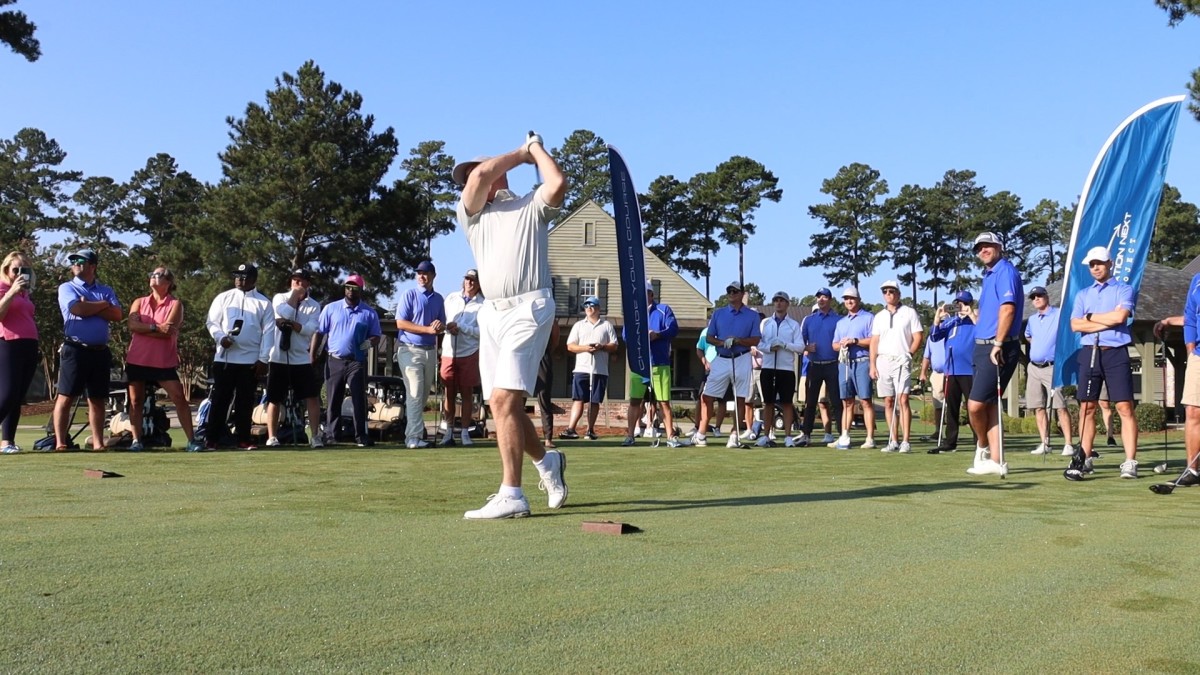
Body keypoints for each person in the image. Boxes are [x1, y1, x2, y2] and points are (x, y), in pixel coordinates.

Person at [453, 132, 568, 519]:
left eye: (478, 172)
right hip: (492, 314)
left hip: (530, 308)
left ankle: (512, 494)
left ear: (499, 175)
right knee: (505, 407)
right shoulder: (471, 216)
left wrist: (534, 150)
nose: (471, 181)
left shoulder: (530, 205)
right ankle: (547, 462)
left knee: (504, 401)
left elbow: (557, 182)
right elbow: (480, 176)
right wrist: (521, 152)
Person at [1065, 246, 1139, 481]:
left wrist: (1090, 318)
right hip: (1089, 352)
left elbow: (1120, 317)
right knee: (1087, 407)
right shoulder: (1083, 294)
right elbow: (1075, 325)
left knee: (1124, 407)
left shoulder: (1123, 289)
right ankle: (1084, 457)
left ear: (1110, 263)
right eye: (1092, 264)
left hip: (1115, 352)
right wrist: (1105, 320)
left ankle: (1130, 461)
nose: (1095, 267)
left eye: (1099, 263)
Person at [124, 266, 203, 452]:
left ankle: (192, 441)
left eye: (157, 275)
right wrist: (155, 327)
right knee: (136, 401)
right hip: (137, 358)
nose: (153, 277)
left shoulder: (175, 304)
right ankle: (136, 441)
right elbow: (132, 325)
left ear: (168, 282)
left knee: (179, 398)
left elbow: (168, 331)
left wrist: (145, 328)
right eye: (151, 274)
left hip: (163, 361)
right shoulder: (139, 302)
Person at [51, 249, 121, 451]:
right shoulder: (67, 287)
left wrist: (91, 305)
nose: (75, 263)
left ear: (92, 266)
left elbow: (117, 315)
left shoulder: (105, 290)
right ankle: (61, 443)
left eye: (80, 260)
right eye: (73, 260)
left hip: (100, 351)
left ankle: (98, 444)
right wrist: (103, 305)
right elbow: (77, 309)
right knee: (66, 396)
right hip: (75, 349)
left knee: (97, 399)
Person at [965, 232, 1024, 477]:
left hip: (998, 346)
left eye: (987, 245)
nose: (983, 250)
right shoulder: (988, 275)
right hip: (982, 346)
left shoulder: (1005, 272)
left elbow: (1008, 309)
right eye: (979, 247)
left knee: (975, 405)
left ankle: (982, 446)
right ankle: (997, 461)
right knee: (989, 405)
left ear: (999, 247)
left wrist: (998, 343)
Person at [203, 263, 271, 450]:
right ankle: (212, 439)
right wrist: (220, 337)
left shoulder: (264, 303)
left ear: (253, 279)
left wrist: (263, 359)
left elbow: (269, 333)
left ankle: (243, 439)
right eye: (237, 276)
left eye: (244, 277)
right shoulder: (223, 297)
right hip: (224, 359)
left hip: (250, 361)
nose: (239, 280)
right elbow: (212, 322)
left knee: (245, 402)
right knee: (220, 400)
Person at [694, 281, 761, 448]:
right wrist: (722, 342)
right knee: (707, 396)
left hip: (742, 358)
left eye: (735, 291)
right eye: (729, 291)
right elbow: (709, 338)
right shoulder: (719, 313)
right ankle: (701, 433)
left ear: (742, 294)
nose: (731, 294)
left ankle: (734, 434)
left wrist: (739, 341)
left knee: (740, 398)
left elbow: (756, 340)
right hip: (721, 358)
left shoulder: (752, 316)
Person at [260, 268, 323, 448]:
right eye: (295, 280)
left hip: (301, 359)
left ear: (308, 284)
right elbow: (283, 314)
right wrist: (294, 295)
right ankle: (272, 437)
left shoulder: (314, 305)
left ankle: (315, 437)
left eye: (301, 281)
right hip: (278, 357)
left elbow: (310, 330)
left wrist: (293, 325)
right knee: (274, 398)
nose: (297, 283)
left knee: (311, 397)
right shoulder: (279, 298)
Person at [317, 274, 381, 447]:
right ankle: (332, 435)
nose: (351, 291)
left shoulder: (369, 312)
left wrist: (367, 343)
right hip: (335, 360)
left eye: (354, 288)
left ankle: (361, 436)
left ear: (361, 290)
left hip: (356, 361)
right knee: (333, 399)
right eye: (348, 287)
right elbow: (320, 332)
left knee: (358, 399)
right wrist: (313, 354)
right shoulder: (331, 308)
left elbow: (376, 336)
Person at [1153, 271, 1200, 487]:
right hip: (1198, 354)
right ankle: (1192, 470)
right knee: (1193, 411)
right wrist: (1190, 349)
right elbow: (1191, 316)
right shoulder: (1197, 279)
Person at [395, 260, 447, 449]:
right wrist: (427, 329)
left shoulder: (439, 299)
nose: (421, 276)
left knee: (422, 395)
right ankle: (413, 437)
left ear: (433, 275)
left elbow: (441, 325)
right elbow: (401, 323)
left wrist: (439, 326)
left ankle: (414, 434)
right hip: (409, 349)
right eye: (419, 273)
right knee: (415, 392)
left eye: (425, 273)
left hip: (429, 351)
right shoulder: (409, 295)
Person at [623, 281, 681, 447]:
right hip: (639, 364)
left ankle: (670, 437)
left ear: (651, 294)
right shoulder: (633, 313)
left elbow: (673, 329)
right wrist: (640, 338)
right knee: (635, 401)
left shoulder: (663, 310)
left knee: (663, 401)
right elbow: (626, 335)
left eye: (646, 293)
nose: (643, 297)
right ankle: (630, 436)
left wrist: (658, 334)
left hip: (659, 363)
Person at [869, 280, 923, 453]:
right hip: (883, 360)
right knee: (888, 401)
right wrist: (872, 364)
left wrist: (909, 354)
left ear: (898, 294)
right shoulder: (879, 316)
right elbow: (874, 341)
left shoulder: (909, 312)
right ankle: (893, 440)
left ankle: (906, 441)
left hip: (902, 359)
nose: (888, 294)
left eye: (891, 291)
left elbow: (918, 336)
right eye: (885, 291)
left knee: (903, 399)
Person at [1023, 285, 1075, 457]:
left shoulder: (1059, 314)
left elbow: (1070, 331)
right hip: (1033, 368)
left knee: (1060, 406)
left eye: (1039, 295)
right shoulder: (1032, 320)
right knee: (1038, 407)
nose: (1036, 299)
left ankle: (1068, 444)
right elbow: (1028, 336)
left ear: (1046, 296)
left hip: (1052, 367)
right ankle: (1045, 443)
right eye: (1033, 297)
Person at [560, 296, 617, 441]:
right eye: (586, 306)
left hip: (599, 370)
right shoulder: (578, 325)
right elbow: (570, 346)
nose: (588, 308)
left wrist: (601, 347)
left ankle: (590, 430)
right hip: (581, 369)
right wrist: (586, 348)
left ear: (598, 308)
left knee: (594, 401)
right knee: (578, 399)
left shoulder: (606, 325)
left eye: (591, 305)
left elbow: (614, 345)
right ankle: (571, 429)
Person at [439, 268, 484, 446]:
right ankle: (448, 431)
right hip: (449, 352)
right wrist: (447, 327)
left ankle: (465, 432)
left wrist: (462, 328)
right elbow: (442, 321)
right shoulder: (451, 298)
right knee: (449, 393)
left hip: (469, 352)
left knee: (466, 393)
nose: (469, 282)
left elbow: (482, 332)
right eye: (467, 279)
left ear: (479, 284)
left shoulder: (483, 304)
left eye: (473, 280)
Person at [928, 291, 977, 454]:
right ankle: (950, 442)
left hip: (970, 370)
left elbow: (983, 334)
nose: (961, 306)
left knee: (973, 407)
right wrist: (937, 319)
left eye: (964, 303)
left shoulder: (975, 321)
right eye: (958, 303)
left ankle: (979, 441)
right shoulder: (951, 322)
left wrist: (972, 316)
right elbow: (934, 337)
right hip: (951, 371)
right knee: (951, 408)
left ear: (970, 304)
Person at [0, 252, 39, 453]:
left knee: (17, 397)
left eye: (24, 270)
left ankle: (7, 442)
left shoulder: (25, 293)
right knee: (7, 394)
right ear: (7, 270)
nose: (19, 274)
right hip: (8, 343)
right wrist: (11, 292)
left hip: (29, 344)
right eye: (15, 269)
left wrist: (19, 291)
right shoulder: (3, 288)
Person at [830, 287, 876, 449]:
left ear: (858, 300)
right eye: (846, 299)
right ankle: (844, 436)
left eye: (852, 298)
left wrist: (855, 341)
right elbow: (834, 345)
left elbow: (873, 340)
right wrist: (842, 344)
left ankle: (870, 438)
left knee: (865, 401)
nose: (849, 301)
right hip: (845, 363)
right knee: (847, 402)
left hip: (862, 361)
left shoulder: (869, 318)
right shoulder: (841, 322)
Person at [757, 290, 802, 447]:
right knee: (768, 403)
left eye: (782, 300)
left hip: (786, 369)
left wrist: (785, 345)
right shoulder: (766, 323)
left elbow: (800, 347)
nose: (778, 303)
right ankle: (766, 435)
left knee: (787, 403)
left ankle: (788, 436)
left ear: (787, 304)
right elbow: (759, 344)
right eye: (776, 300)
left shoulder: (793, 325)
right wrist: (770, 347)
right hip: (768, 367)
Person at [798, 288, 840, 446]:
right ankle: (806, 434)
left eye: (824, 297)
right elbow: (799, 342)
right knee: (810, 402)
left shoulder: (838, 320)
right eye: (818, 297)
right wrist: (806, 347)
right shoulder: (809, 320)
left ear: (830, 299)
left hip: (833, 365)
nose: (821, 299)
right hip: (814, 366)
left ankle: (842, 434)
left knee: (836, 401)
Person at [693, 323, 727, 438]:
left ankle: (717, 428)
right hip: (709, 369)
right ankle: (698, 426)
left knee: (722, 400)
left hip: (723, 367)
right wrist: (704, 361)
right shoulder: (705, 332)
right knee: (702, 398)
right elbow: (699, 349)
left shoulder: (725, 330)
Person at [917, 321, 946, 442]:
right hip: (937, 374)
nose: (942, 324)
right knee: (938, 405)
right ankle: (938, 432)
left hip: (952, 373)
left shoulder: (951, 334)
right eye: (940, 321)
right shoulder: (931, 338)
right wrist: (923, 373)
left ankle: (951, 434)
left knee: (952, 405)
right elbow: (926, 357)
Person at [534, 321, 561, 449]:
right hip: (524, 357)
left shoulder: (548, 315)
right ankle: (518, 437)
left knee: (544, 398)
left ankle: (547, 438)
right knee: (518, 399)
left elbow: (555, 340)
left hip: (543, 357)